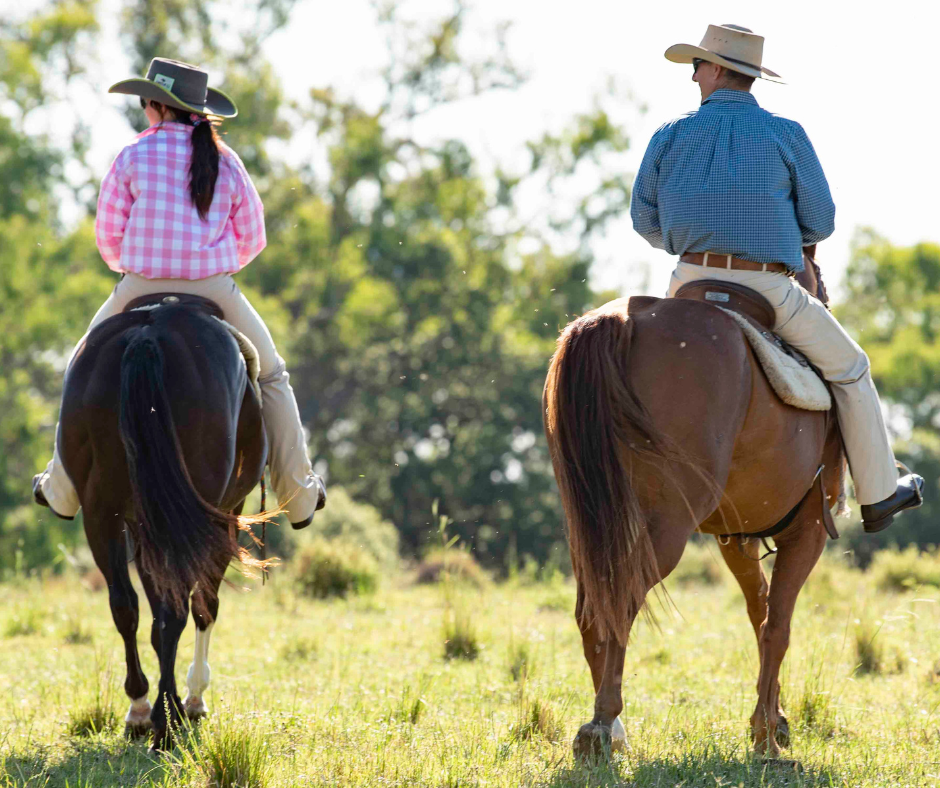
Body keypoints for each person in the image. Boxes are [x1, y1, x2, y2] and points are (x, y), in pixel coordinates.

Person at [630, 24, 923, 532]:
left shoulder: (668, 134)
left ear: (718, 70)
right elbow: (821, 223)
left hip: (687, 283)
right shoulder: (786, 133)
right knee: (852, 367)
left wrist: (695, 240)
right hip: (766, 286)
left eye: (697, 65)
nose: (693, 75)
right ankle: (878, 495)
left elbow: (645, 222)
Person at [33, 57, 325, 528]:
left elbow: (108, 235)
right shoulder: (225, 160)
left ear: (156, 105)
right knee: (271, 377)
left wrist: (135, 268)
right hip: (214, 289)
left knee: (80, 366)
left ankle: (61, 489)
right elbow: (254, 237)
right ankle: (300, 495)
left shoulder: (132, 154)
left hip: (139, 286)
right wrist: (212, 264)